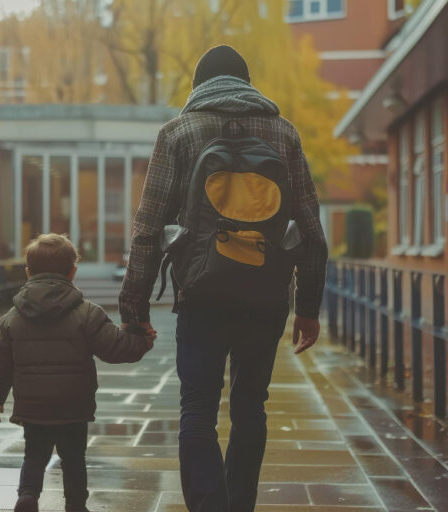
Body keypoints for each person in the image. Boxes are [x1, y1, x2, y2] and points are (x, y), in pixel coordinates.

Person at [119, 45, 328, 512]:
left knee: (197, 408)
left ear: (198, 87)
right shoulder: (283, 132)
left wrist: (133, 309)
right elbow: (311, 229)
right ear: (247, 84)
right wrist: (309, 309)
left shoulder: (178, 132)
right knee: (251, 407)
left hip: (201, 294)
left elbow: (148, 228)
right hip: (267, 293)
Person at [0, 233, 155, 512]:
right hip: (74, 406)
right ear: (73, 272)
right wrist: (142, 340)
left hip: (34, 407)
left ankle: (27, 496)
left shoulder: (11, 318)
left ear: (28, 272)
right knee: (74, 459)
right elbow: (115, 348)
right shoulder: (88, 313)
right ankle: (75, 504)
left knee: (34, 455)